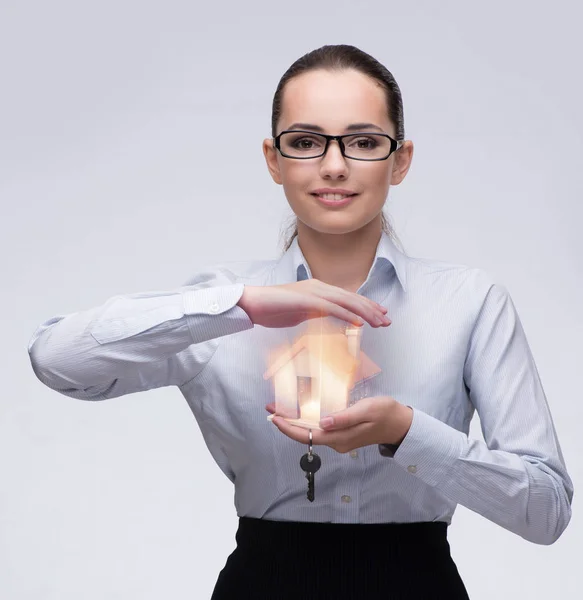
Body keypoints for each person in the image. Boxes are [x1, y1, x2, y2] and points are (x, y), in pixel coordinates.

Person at [27, 44, 573, 599]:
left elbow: (545, 510)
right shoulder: (220, 309)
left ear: (400, 160)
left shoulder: (470, 302)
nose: (334, 165)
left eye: (362, 142)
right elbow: (55, 361)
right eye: (307, 142)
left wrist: (408, 433)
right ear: (274, 158)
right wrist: (239, 305)